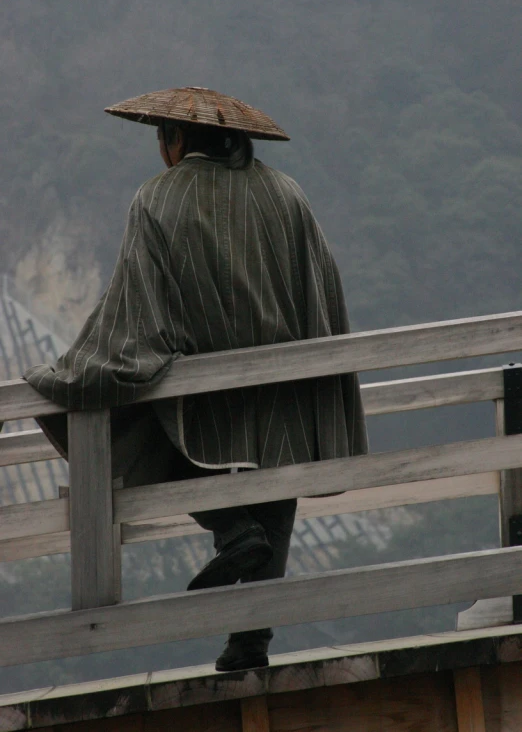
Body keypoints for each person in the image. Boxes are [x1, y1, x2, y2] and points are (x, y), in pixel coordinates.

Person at [24, 86, 368, 671]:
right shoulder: (287, 194)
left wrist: (65, 371)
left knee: (133, 420)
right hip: (284, 385)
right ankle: (249, 643)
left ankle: (229, 526)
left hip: (200, 399)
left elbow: (134, 314)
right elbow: (323, 287)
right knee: (275, 487)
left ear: (174, 140)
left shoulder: (158, 198)